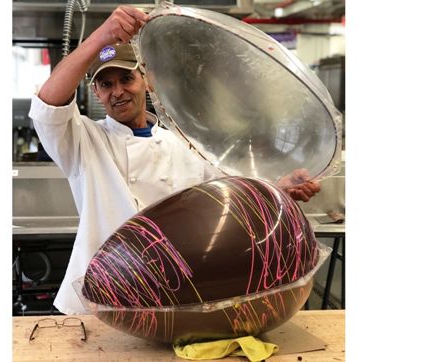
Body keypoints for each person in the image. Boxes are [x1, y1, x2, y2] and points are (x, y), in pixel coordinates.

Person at [28, 5, 320, 315]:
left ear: (147, 81)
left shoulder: (185, 144)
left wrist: (278, 189)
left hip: (175, 298)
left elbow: (231, 194)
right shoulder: (83, 142)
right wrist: (102, 36)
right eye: (106, 84)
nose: (117, 92)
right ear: (97, 93)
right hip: (102, 298)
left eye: (126, 79)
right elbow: (48, 102)